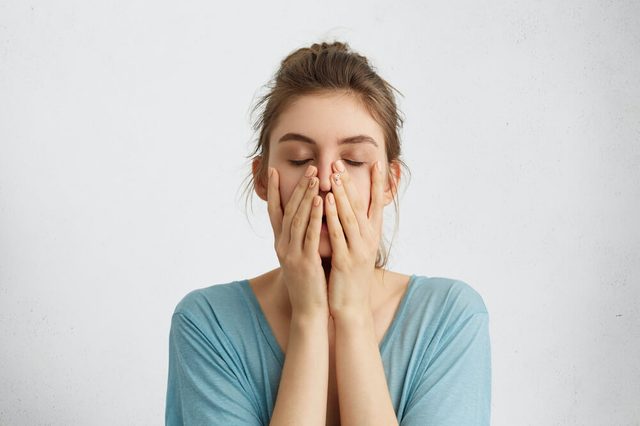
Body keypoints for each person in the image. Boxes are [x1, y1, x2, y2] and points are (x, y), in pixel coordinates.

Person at [165, 41, 491, 426]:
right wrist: (309, 317)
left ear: (388, 183)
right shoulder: (207, 323)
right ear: (262, 180)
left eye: (353, 161)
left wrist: (351, 313)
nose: (323, 181)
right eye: (299, 159)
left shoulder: (449, 318)